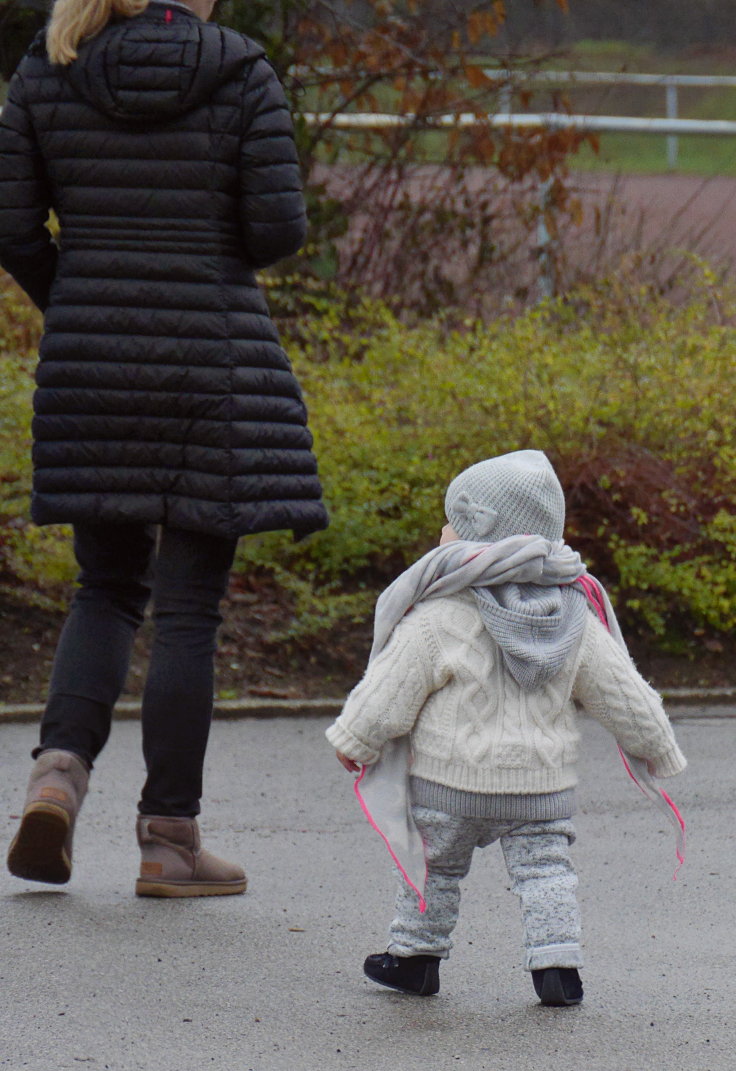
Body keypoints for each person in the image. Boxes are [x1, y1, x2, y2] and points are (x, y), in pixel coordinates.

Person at [0, 0, 328, 896]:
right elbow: (277, 229)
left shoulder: (47, 66)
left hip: (90, 361)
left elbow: (12, 224)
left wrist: (79, 298)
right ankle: (169, 843)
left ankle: (57, 778)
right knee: (189, 610)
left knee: (104, 586)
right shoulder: (238, 69)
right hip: (210, 362)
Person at [326, 450, 686, 1005]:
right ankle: (558, 969)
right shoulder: (574, 615)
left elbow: (393, 685)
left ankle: (415, 959)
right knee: (547, 873)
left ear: (478, 530)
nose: (443, 530)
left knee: (435, 870)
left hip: (450, 784)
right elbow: (623, 691)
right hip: (541, 787)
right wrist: (656, 746)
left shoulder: (441, 613)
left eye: (453, 521)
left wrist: (356, 738)